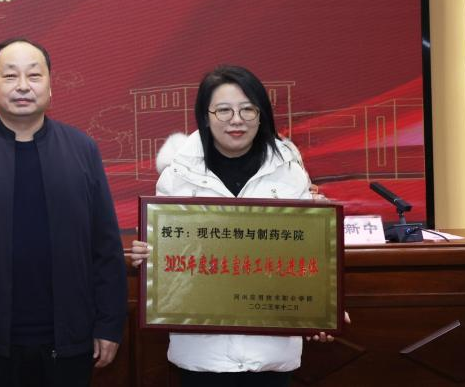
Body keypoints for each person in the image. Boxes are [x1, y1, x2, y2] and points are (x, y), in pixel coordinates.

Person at [0, 38, 127, 386]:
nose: (22, 86)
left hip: (70, 340)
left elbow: (105, 245)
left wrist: (110, 324)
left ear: (50, 86)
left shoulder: (82, 150)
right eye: (10, 76)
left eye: (34, 75)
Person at [130, 64, 343, 387]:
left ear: (261, 115)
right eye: (224, 110)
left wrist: (324, 306)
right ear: (205, 116)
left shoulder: (290, 172)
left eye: (247, 109)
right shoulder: (177, 176)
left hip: (271, 354)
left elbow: (309, 254)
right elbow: (167, 261)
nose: (236, 120)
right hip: (201, 355)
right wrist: (147, 256)